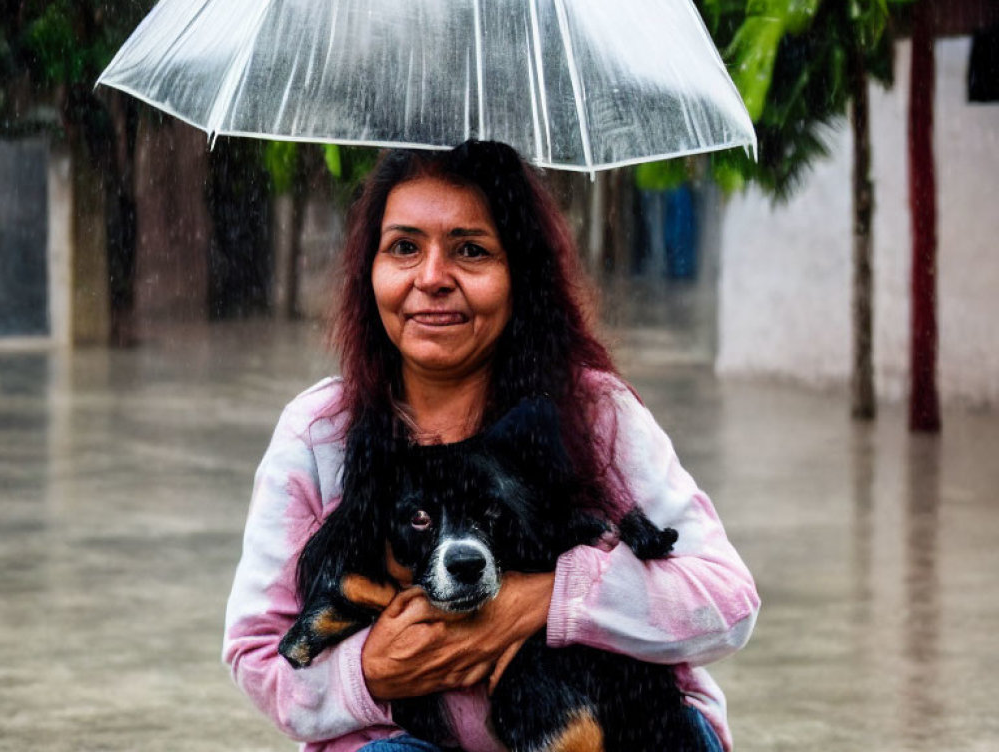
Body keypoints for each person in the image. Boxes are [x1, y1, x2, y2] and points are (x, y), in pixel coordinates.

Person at [223, 140, 759, 752]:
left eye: (470, 251)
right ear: (368, 270)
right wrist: (368, 672)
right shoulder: (320, 432)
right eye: (403, 247)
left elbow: (728, 603)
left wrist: (548, 598)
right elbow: (258, 655)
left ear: (518, 274)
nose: (431, 278)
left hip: (609, 726)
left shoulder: (592, 411)